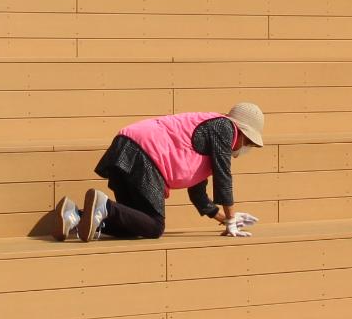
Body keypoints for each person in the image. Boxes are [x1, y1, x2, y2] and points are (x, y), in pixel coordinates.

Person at [59, 103, 265, 241]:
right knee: (155, 227)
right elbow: (224, 177)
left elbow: (198, 194)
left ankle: (75, 216)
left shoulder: (208, 146)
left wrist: (224, 218)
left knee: (134, 225)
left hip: (127, 147)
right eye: (248, 141)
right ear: (241, 131)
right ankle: (105, 206)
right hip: (145, 154)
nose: (246, 147)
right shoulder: (225, 127)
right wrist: (230, 221)